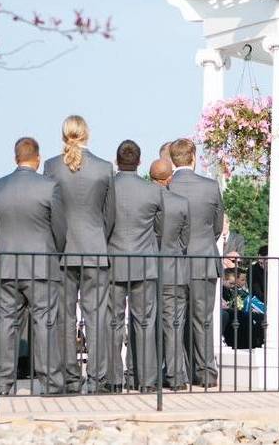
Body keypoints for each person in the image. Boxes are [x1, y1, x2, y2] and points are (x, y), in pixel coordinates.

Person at [0, 137, 67, 395]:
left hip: (8, 265)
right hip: (41, 265)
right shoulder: (49, 187)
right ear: (38, 158)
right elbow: (59, 229)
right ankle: (51, 383)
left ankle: (3, 384)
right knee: (45, 323)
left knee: (5, 323)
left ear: (15, 158)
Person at [44, 115, 115, 394]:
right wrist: (100, 238)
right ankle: (97, 378)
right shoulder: (104, 167)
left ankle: (70, 378)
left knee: (65, 317)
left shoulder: (51, 167)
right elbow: (110, 214)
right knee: (96, 316)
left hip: (62, 251)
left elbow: (48, 211)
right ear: (87, 134)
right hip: (95, 247)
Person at [107, 140, 162, 393]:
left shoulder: (107, 189)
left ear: (117, 161)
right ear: (140, 162)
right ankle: (147, 381)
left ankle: (113, 379)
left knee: (113, 322)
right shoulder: (153, 191)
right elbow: (160, 228)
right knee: (145, 323)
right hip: (144, 263)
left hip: (113, 262)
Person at [168, 138, 223, 388]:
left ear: (172, 159)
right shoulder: (211, 187)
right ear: (193, 157)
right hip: (204, 259)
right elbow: (218, 226)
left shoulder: (165, 187)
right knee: (203, 319)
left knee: (174, 320)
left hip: (174, 262)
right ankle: (205, 372)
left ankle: (177, 372)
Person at [150, 158, 190, 390]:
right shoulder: (181, 203)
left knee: (146, 324)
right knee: (174, 324)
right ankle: (176, 377)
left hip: (149, 269)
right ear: (170, 179)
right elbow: (185, 239)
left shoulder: (145, 200)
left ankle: (146, 375)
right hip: (175, 269)